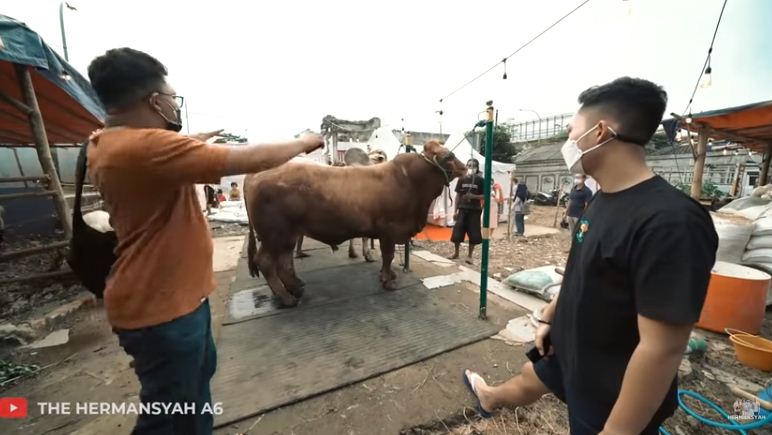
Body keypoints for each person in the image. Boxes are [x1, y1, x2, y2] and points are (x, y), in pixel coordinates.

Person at [86, 47, 323, 435]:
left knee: (191, 399)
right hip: (163, 309)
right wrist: (303, 142)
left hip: (169, 300)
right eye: (171, 97)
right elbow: (248, 158)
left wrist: (195, 138)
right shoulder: (147, 148)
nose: (174, 105)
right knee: (169, 416)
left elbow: (151, 154)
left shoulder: (105, 142)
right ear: (154, 100)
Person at [462, 77, 717, 435]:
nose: (568, 142)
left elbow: (662, 348)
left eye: (571, 132)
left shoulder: (670, 223)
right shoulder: (604, 198)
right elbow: (582, 267)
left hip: (611, 390)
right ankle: (489, 397)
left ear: (599, 132)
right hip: (574, 349)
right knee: (530, 377)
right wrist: (552, 316)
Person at [449, 158, 484, 264]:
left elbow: (485, 195)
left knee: (473, 233)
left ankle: (469, 255)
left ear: (477, 168)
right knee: (457, 232)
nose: (470, 168)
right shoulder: (462, 179)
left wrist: (474, 196)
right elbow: (458, 196)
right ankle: (456, 253)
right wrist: (455, 211)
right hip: (462, 209)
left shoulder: (481, 180)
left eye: (473, 166)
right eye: (469, 165)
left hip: (475, 210)